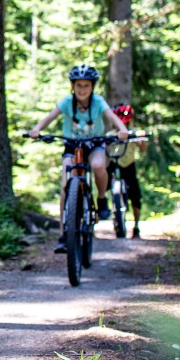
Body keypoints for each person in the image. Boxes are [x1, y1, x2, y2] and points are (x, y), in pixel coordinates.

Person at [28, 64, 128, 254]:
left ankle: (101, 199)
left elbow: (112, 117)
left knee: (99, 165)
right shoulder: (67, 102)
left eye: (86, 86)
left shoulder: (98, 102)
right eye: (78, 85)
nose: (82, 89)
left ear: (92, 87)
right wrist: (37, 129)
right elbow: (50, 117)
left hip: (95, 144)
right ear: (72, 86)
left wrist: (122, 130)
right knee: (66, 183)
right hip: (72, 146)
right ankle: (64, 232)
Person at [107, 104, 147, 238]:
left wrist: (141, 140)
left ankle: (136, 226)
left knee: (135, 194)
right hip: (114, 164)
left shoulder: (134, 132)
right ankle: (104, 211)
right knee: (103, 185)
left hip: (129, 166)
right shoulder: (110, 134)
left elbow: (142, 148)